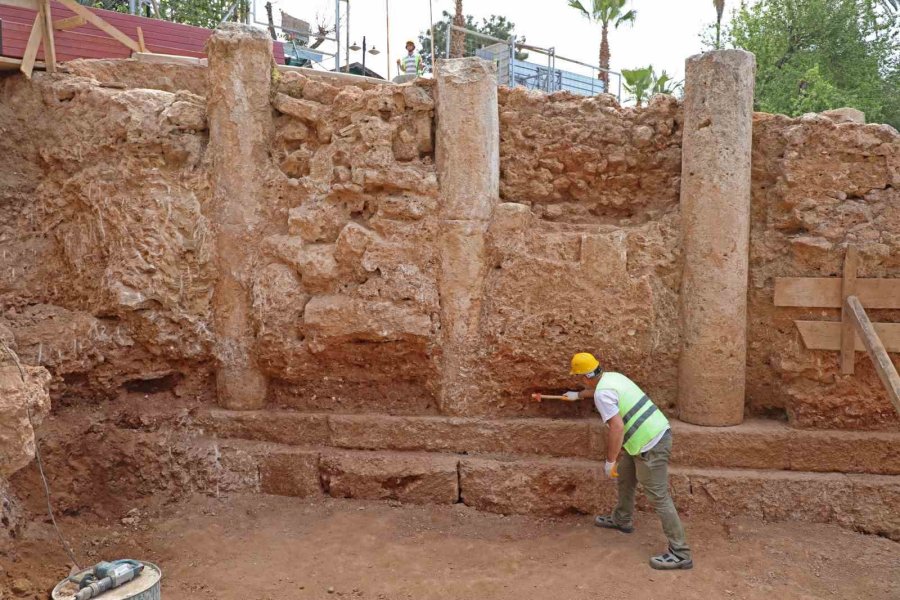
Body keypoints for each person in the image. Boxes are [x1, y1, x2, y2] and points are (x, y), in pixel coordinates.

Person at [557, 352, 693, 570]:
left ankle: (680, 552)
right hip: (648, 437)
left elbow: (617, 428)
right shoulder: (613, 377)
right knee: (626, 478)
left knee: (659, 497)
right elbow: (602, 393)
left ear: (584, 376)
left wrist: (610, 460)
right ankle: (622, 519)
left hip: (650, 444)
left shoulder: (603, 394)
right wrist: (579, 396)